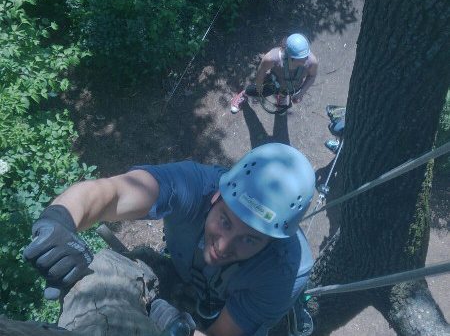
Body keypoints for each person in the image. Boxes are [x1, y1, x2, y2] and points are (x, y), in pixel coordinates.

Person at [23, 143, 315, 336]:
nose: (224, 246)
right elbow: (110, 192)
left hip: (233, 305)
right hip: (184, 274)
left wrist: (181, 330)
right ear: (216, 195)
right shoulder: (194, 185)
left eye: (250, 240)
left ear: (271, 242)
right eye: (225, 220)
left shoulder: (283, 272)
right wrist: (59, 220)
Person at [230, 33, 318, 114]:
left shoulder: (311, 62)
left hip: (292, 87)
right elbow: (262, 71)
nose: (305, 60)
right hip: (273, 83)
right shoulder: (273, 58)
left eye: (306, 56)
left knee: (286, 93)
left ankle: (282, 97)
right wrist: (259, 85)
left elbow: (312, 76)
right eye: (300, 59)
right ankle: (244, 93)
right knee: (261, 91)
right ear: (288, 55)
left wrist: (301, 92)